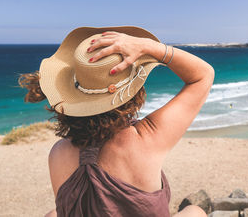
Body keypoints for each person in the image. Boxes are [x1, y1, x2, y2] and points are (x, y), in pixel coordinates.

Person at [19, 26, 214, 217]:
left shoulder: (58, 153)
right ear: (133, 93)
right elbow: (203, 75)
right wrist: (151, 47)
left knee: (52, 214)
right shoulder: (148, 139)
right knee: (195, 211)